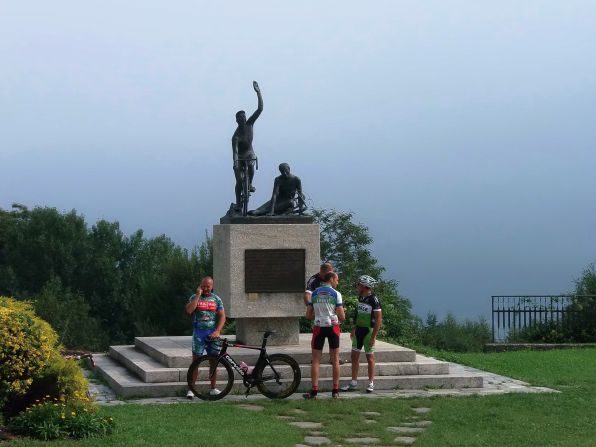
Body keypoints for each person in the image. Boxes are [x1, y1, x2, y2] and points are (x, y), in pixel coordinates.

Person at [303, 271, 345, 399]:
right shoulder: (336, 294)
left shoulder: (314, 293)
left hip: (319, 327)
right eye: (337, 280)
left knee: (316, 360)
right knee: (335, 360)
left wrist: (319, 314)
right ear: (331, 279)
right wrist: (340, 313)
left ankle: (314, 391)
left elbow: (308, 316)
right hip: (333, 327)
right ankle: (335, 391)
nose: (337, 282)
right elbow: (342, 317)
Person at [184, 276, 226, 399]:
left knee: (214, 362)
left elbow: (222, 316)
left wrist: (218, 331)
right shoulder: (194, 297)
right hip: (199, 334)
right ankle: (191, 389)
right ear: (200, 286)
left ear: (212, 286)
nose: (206, 288)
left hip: (212, 334)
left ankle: (213, 388)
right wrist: (198, 295)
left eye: (208, 286)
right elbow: (189, 311)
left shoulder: (217, 299)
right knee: (195, 362)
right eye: (203, 286)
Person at [341, 275, 382, 393]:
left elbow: (379, 319)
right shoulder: (360, 297)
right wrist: (353, 328)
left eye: (358, 284)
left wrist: (374, 336)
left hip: (368, 331)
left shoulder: (374, 299)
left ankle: (371, 383)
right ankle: (353, 382)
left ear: (364, 286)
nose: (357, 286)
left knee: (370, 358)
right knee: (354, 357)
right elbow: (358, 314)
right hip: (358, 330)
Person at [232, 81, 263, 211]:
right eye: (240, 118)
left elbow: (260, 109)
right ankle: (239, 202)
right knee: (239, 181)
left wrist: (258, 92)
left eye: (244, 117)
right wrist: (235, 162)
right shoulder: (236, 136)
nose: (243, 119)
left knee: (250, 164)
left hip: (249, 153)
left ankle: (250, 183)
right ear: (237, 120)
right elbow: (235, 151)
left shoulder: (250, 124)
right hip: (239, 156)